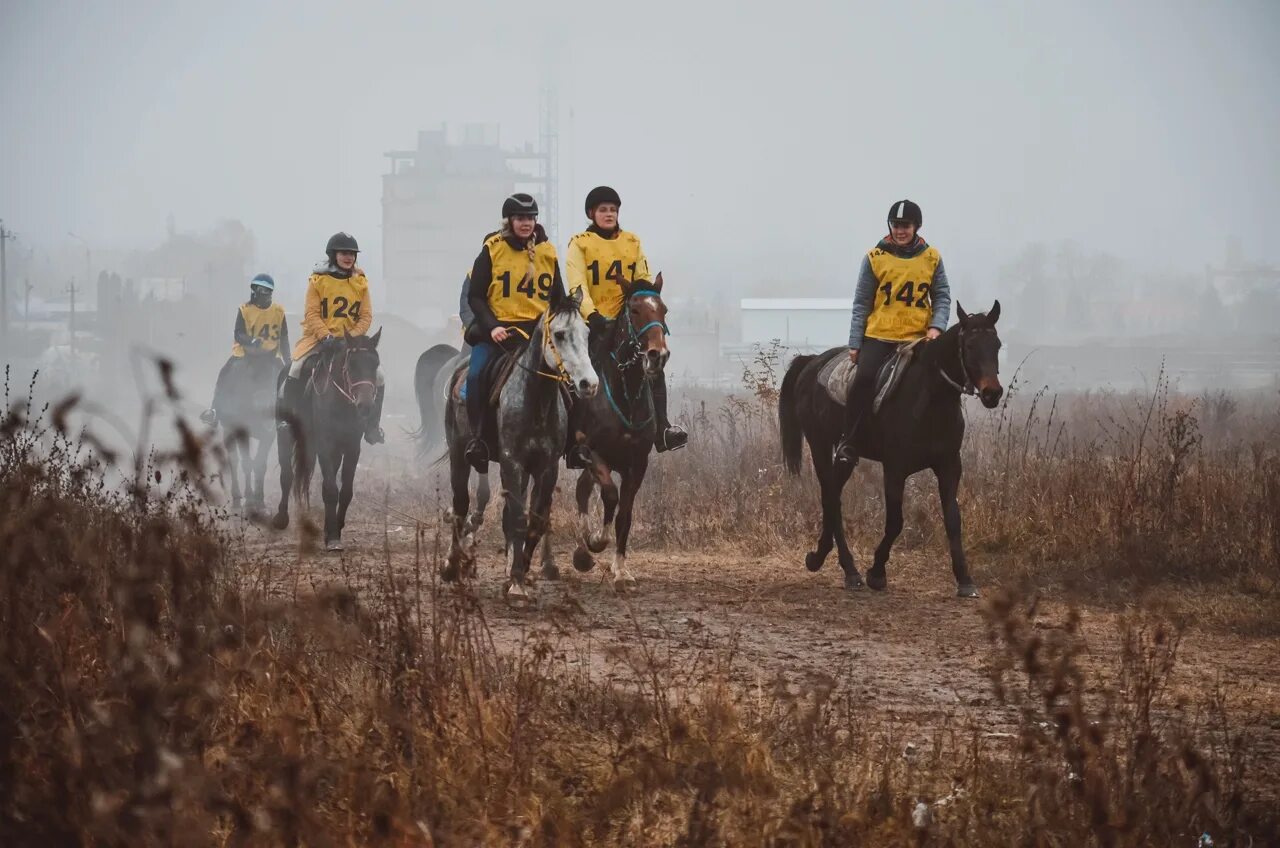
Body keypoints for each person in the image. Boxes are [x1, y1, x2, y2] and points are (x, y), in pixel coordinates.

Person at [565, 186, 687, 463]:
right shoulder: (579, 243)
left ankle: (662, 429)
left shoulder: (632, 242)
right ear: (591, 214)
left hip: (626, 321)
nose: (609, 214)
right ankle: (574, 440)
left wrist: (645, 305)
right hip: (592, 321)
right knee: (576, 372)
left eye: (613, 210)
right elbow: (577, 284)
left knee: (653, 365)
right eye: (603, 210)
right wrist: (592, 315)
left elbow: (643, 279)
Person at [833, 199, 952, 468]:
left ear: (916, 227)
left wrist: (937, 327)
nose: (900, 231)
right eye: (896, 225)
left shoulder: (932, 258)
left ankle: (944, 438)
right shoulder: (874, 258)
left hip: (919, 338)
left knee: (943, 379)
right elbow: (862, 302)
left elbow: (942, 296)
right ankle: (848, 441)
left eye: (905, 226)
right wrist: (855, 343)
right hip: (880, 336)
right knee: (863, 379)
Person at [463, 193, 567, 471]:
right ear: (509, 220)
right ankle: (478, 441)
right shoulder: (492, 249)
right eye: (521, 218)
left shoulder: (548, 251)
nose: (526, 223)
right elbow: (475, 296)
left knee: (570, 378)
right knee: (474, 377)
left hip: (538, 335)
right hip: (499, 333)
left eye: (531, 217)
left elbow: (558, 297)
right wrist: (493, 326)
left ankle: (574, 441)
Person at [279, 232, 385, 444]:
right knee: (295, 369)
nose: (349, 257)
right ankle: (288, 421)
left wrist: (351, 338)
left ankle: (372, 427)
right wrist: (326, 336)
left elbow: (365, 316)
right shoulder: (318, 281)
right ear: (333, 254)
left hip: (351, 343)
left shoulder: (361, 282)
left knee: (379, 376)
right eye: (344, 253)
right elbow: (311, 314)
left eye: (352, 254)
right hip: (319, 340)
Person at [201, 273, 290, 425]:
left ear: (270, 292)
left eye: (265, 290)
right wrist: (251, 341)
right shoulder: (244, 309)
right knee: (225, 374)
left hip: (270, 355)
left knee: (286, 381)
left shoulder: (279, 311)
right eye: (258, 289)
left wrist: (288, 360)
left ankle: (287, 417)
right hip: (245, 354)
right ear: (254, 291)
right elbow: (238, 332)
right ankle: (215, 411)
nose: (261, 293)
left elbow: (283, 337)